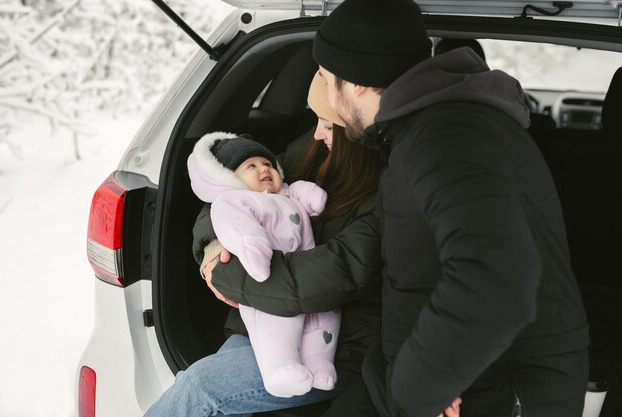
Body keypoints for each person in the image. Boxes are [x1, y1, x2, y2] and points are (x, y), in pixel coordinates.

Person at [312, 0, 589, 417]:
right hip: (452, 376)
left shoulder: (444, 138)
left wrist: (420, 387)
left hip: (487, 390)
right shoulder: (429, 129)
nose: (322, 88)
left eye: (323, 75)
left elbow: (497, 278)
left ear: (355, 83)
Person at [144, 72, 392, 417]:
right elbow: (234, 188)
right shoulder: (315, 146)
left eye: (326, 123)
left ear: (357, 129)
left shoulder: (388, 186)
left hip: (336, 344)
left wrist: (226, 275)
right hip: (264, 321)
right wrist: (215, 245)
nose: (317, 133)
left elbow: (335, 274)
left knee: (199, 391)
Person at [186, 130, 340, 398]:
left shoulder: (285, 191)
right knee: (275, 329)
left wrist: (310, 196)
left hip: (314, 294)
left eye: (268, 165)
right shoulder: (241, 196)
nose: (264, 169)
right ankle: (281, 368)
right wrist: (219, 245)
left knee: (323, 322)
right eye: (252, 166)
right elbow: (227, 210)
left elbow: (299, 190)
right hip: (267, 286)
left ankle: (319, 363)